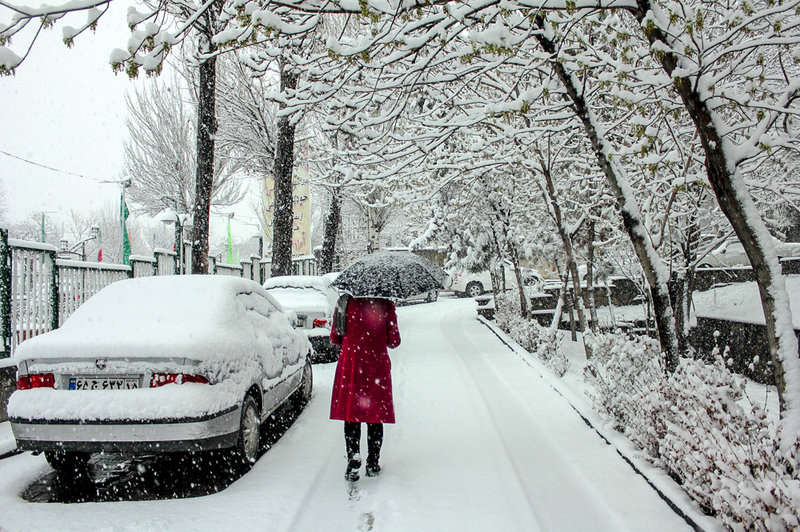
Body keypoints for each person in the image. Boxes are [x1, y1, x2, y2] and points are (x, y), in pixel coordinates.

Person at [330, 294, 401, 481]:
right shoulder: (386, 305)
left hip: (352, 364)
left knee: (351, 413)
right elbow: (394, 342)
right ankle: (373, 462)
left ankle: (353, 457)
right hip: (376, 366)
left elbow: (335, 338)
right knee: (375, 414)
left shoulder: (345, 302)